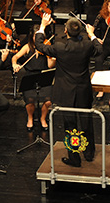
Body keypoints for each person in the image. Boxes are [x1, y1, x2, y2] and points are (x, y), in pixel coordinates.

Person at [35, 14, 102, 167]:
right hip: (83, 89)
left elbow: (40, 45)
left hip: (66, 92)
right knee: (86, 121)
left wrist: (42, 27)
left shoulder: (59, 46)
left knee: (70, 126)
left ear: (65, 31)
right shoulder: (87, 45)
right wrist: (92, 35)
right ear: (81, 32)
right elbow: (99, 48)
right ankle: (89, 153)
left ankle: (74, 157)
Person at [12, 25, 56, 131]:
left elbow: (50, 65)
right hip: (30, 76)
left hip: (44, 75)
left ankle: (42, 118)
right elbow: (15, 57)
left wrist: (52, 58)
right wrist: (15, 64)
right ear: (32, 37)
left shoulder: (46, 46)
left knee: (48, 101)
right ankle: (30, 118)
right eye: (35, 37)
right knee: (30, 100)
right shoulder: (27, 47)